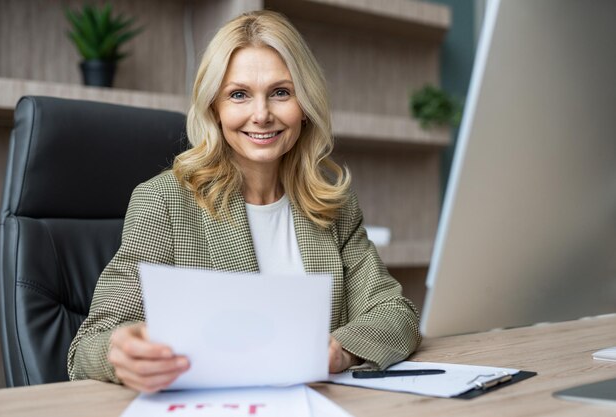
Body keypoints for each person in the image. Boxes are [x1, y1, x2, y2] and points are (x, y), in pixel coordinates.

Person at [68, 10, 421, 393]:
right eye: (238, 95)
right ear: (214, 110)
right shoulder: (164, 202)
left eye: (281, 92)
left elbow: (396, 315)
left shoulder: (331, 204)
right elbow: (87, 346)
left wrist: (339, 352)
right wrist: (119, 355)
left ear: (304, 106)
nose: (262, 114)